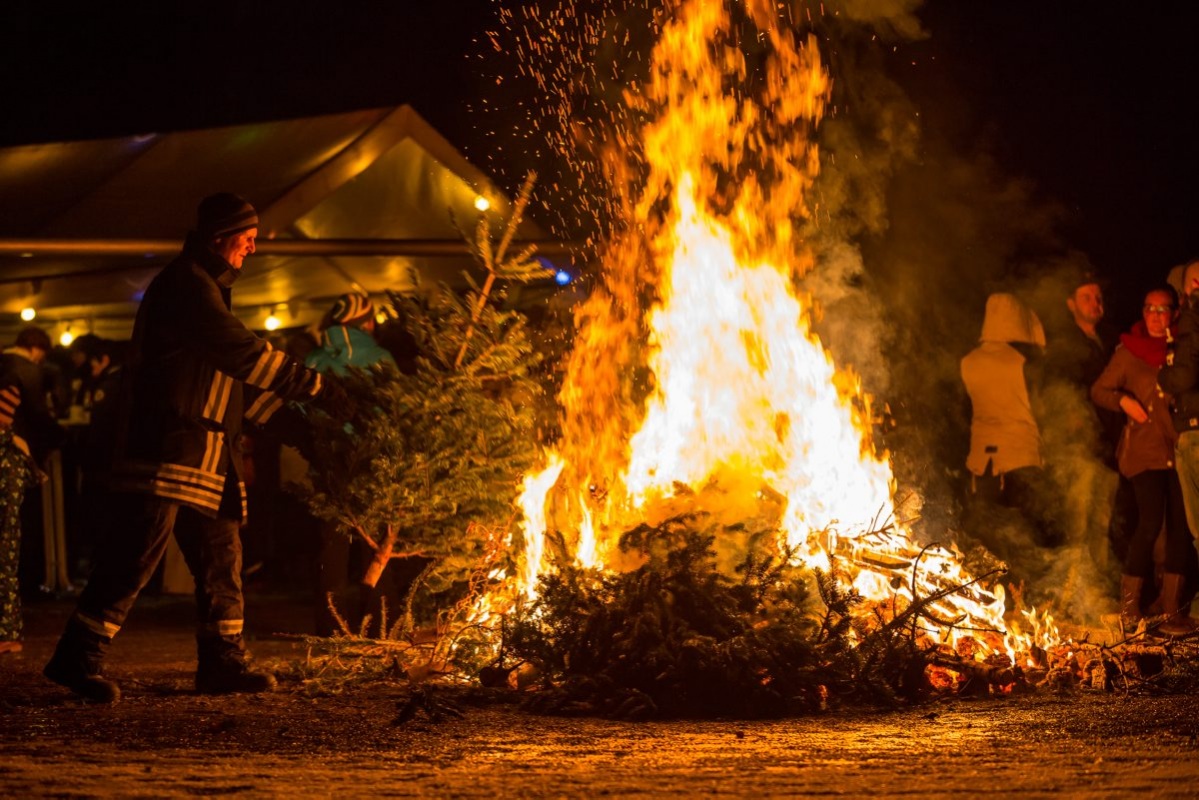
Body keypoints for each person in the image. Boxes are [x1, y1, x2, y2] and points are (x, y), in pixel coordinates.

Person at [43, 193, 343, 702]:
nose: (252, 249)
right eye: (246, 239)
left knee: (220, 557)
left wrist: (295, 427)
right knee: (135, 554)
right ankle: (77, 657)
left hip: (204, 455)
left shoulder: (207, 288)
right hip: (166, 451)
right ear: (221, 236)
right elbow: (238, 351)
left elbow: (228, 384)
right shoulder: (186, 286)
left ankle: (222, 662)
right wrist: (314, 386)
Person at [1092, 286, 1198, 634]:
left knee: (1182, 529)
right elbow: (1100, 390)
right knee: (1150, 522)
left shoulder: (1182, 349)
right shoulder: (1129, 351)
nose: (1155, 315)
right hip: (1143, 451)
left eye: (1163, 309)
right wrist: (1123, 401)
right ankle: (1129, 610)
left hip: (1178, 448)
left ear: (1174, 314)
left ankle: (1170, 612)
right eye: (1149, 308)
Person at [305, 293, 394, 635]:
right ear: (365, 322)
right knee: (377, 546)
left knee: (332, 546)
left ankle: (332, 627)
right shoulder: (381, 358)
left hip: (329, 464)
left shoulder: (315, 358)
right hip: (376, 463)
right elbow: (395, 407)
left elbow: (300, 406)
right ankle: (381, 625)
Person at [961, 292, 1064, 549]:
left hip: (981, 464)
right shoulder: (1023, 361)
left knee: (990, 538)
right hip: (1021, 459)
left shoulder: (968, 361)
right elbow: (1044, 410)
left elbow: (964, 410)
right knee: (1031, 537)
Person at [0, 327, 65, 655]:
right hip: (11, 463)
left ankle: (7, 631)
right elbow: (35, 418)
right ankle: (8, 630)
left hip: (9, 455)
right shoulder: (27, 371)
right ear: (38, 348)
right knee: (8, 545)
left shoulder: (3, 364)